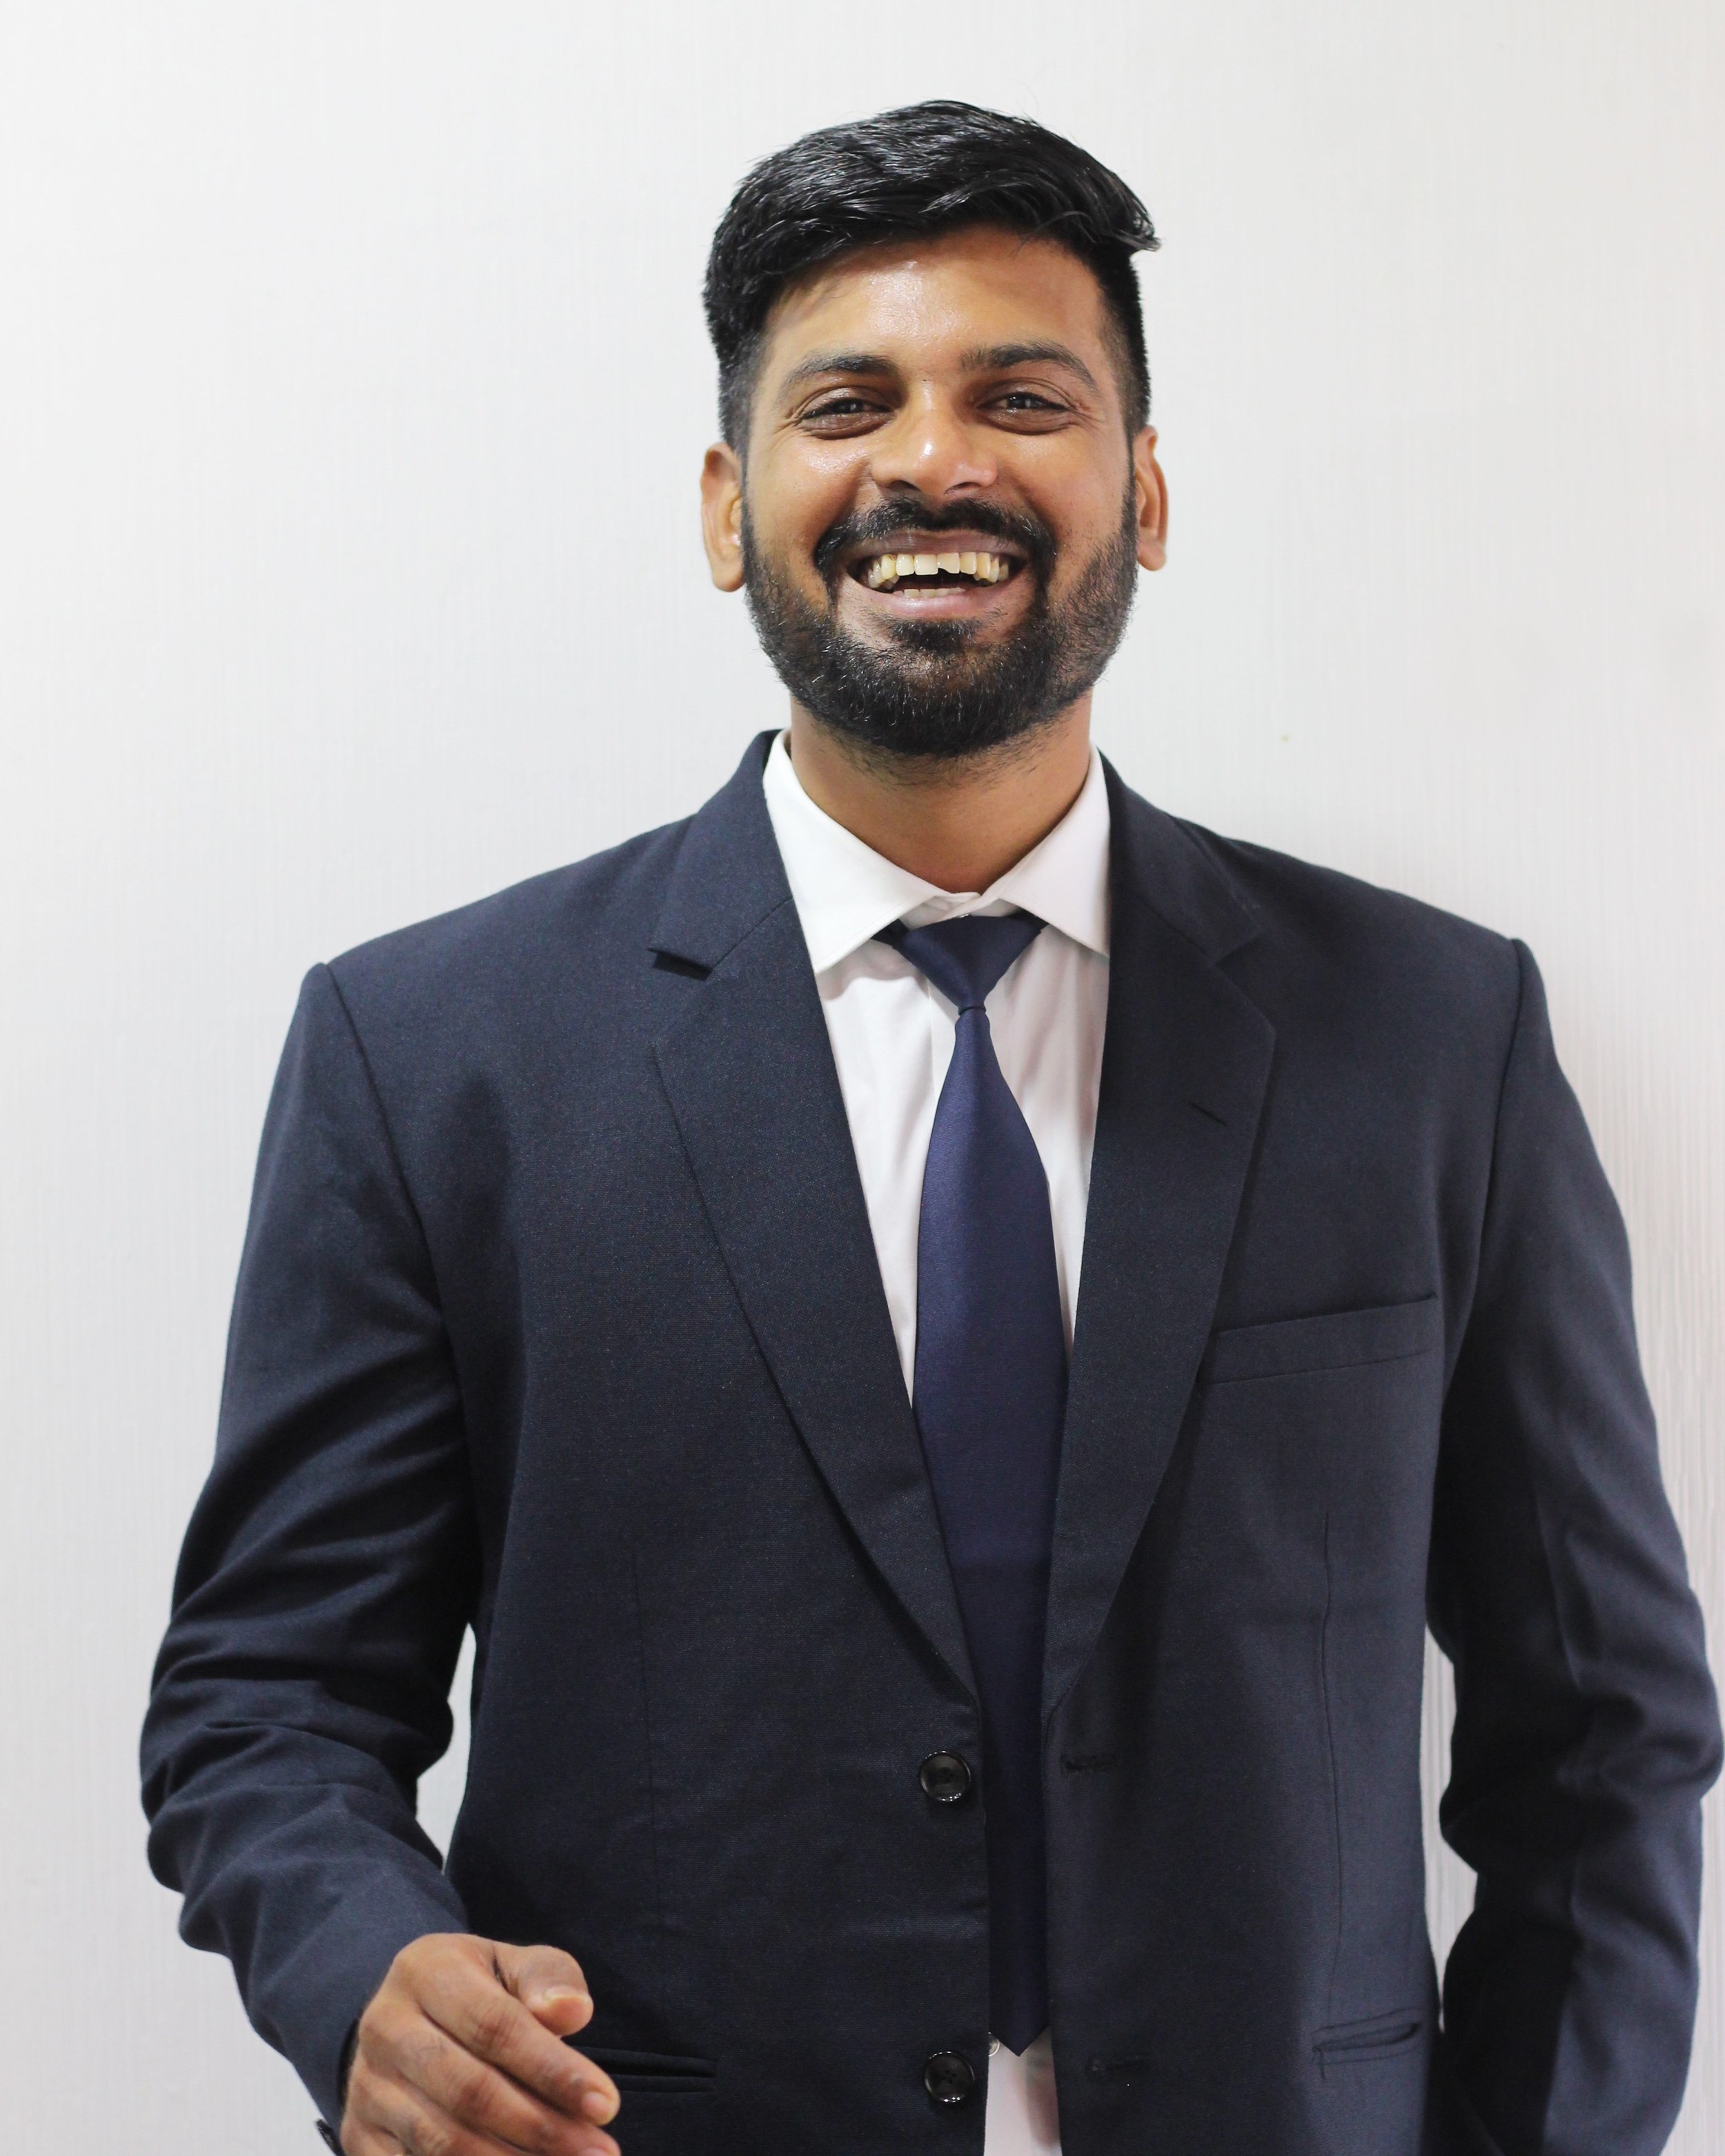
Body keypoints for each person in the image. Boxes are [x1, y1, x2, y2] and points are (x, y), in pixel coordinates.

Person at [141, 101, 1719, 2156]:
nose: (932, 460)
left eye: (1023, 396)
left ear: (1141, 490)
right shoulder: (431, 1050)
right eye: (847, 401)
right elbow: (266, 1700)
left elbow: (1597, 1730)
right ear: (729, 504)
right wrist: (364, 1970)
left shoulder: (1429, 1036)